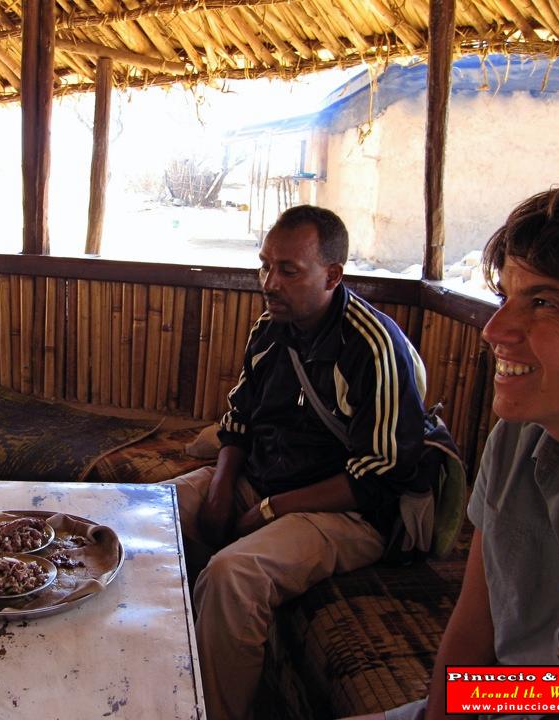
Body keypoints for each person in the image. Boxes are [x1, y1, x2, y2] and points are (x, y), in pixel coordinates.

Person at [355, 171, 559, 720]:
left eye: (544, 302)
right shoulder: (519, 443)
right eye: (506, 297)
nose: (496, 328)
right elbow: (475, 627)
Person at [170, 205, 443, 720]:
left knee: (233, 575)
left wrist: (272, 509)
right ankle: (159, 663)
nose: (269, 282)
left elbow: (382, 473)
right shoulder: (272, 329)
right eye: (265, 265)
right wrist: (224, 487)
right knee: (152, 514)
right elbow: (239, 420)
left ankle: (214, 713)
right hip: (267, 481)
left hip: (348, 511)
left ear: (332, 275)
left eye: (288, 270)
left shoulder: (373, 347)